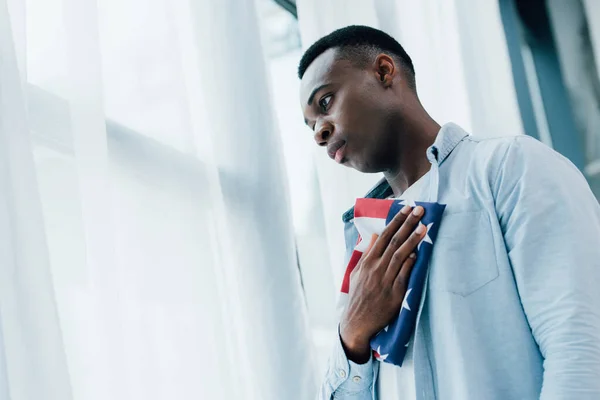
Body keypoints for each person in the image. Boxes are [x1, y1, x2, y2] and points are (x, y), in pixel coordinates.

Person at [297, 25, 600, 400]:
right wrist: (352, 336)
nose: (319, 133)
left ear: (384, 72)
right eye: (311, 126)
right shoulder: (362, 243)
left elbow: (582, 345)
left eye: (325, 102)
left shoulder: (510, 168)